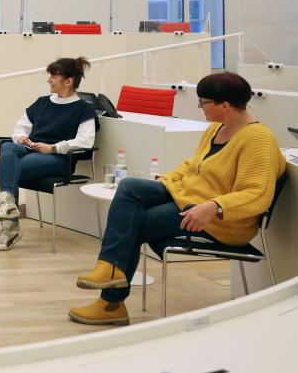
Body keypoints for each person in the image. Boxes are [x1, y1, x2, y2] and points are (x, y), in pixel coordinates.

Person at [69, 71, 285, 326]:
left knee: (136, 223)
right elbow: (192, 165)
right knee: (130, 187)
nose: (200, 107)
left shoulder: (258, 139)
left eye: (203, 102)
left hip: (222, 221)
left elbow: (257, 194)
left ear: (224, 105)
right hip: (190, 198)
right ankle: (109, 269)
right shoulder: (217, 128)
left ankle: (110, 302)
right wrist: (168, 180)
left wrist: (214, 206)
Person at [0, 57, 97, 251]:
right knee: (8, 147)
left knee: (7, 168)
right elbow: (20, 128)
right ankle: (7, 207)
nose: (49, 80)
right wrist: (22, 138)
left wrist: (53, 148)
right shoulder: (42, 102)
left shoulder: (84, 109)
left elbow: (85, 141)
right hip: (31, 149)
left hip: (58, 159)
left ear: (68, 81)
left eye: (53, 76)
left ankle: (10, 227)